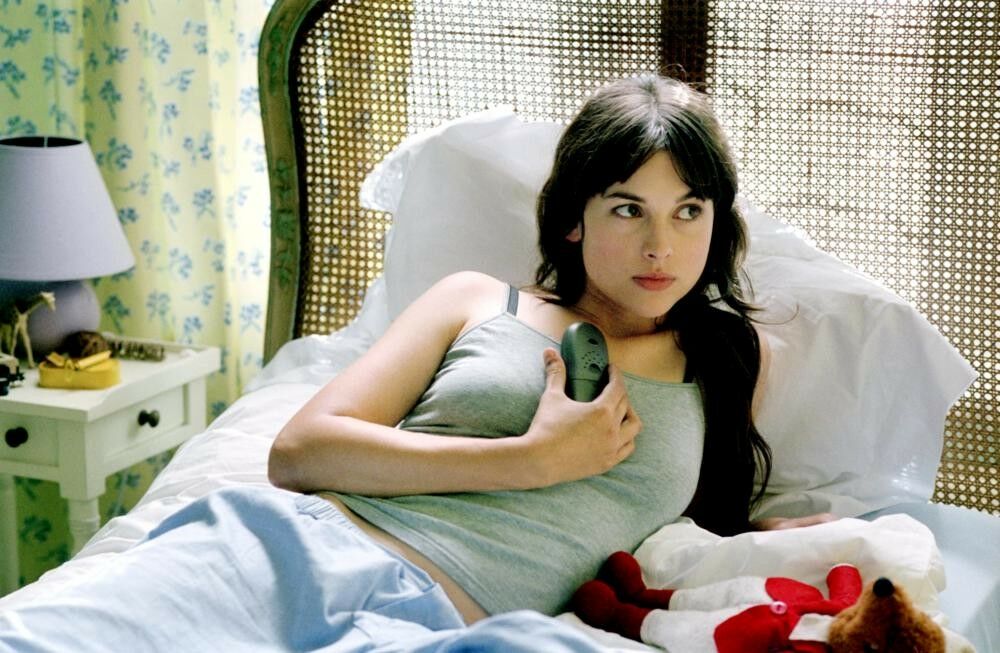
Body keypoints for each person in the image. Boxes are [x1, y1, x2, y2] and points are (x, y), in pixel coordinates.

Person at [0, 74, 830, 652]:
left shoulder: (724, 357)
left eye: (689, 211)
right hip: (300, 555)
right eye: (628, 208)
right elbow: (301, 450)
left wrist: (783, 541)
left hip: (451, 629)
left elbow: (705, 520)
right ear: (574, 218)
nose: (661, 246)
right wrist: (531, 459)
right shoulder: (476, 300)